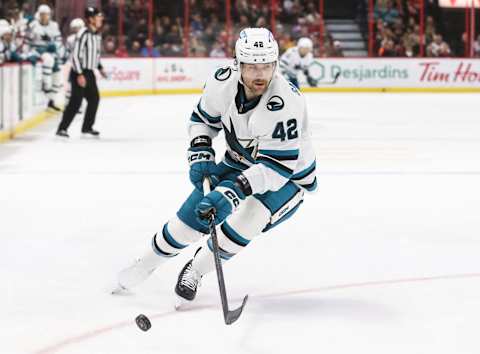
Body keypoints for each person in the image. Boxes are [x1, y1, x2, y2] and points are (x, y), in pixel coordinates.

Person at [113, 28, 317, 303]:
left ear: (275, 64)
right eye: (252, 67)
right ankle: (146, 263)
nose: (260, 75)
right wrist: (200, 149)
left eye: (266, 66)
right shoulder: (222, 82)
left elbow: (277, 168)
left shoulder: (285, 102)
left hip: (288, 177)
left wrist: (234, 191)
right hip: (238, 161)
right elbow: (202, 120)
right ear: (238, 64)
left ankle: (196, 270)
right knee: (188, 221)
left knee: (248, 219)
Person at [56, 7, 107, 139]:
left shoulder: (97, 35)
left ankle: (87, 127)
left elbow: (94, 55)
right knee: (76, 102)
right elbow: (75, 56)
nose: (101, 18)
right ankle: (62, 129)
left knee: (94, 99)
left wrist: (100, 68)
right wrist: (79, 74)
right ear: (91, 19)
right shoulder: (83, 34)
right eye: (98, 16)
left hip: (89, 72)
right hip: (80, 72)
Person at [25, 5, 64, 111]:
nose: (44, 16)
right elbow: (27, 41)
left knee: (57, 74)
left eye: (46, 14)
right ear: (39, 14)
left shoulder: (54, 25)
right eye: (42, 14)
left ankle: (51, 100)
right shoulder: (33, 25)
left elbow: (58, 40)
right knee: (48, 60)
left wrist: (57, 50)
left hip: (51, 51)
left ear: (49, 15)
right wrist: (28, 52)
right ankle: (46, 86)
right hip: (38, 50)